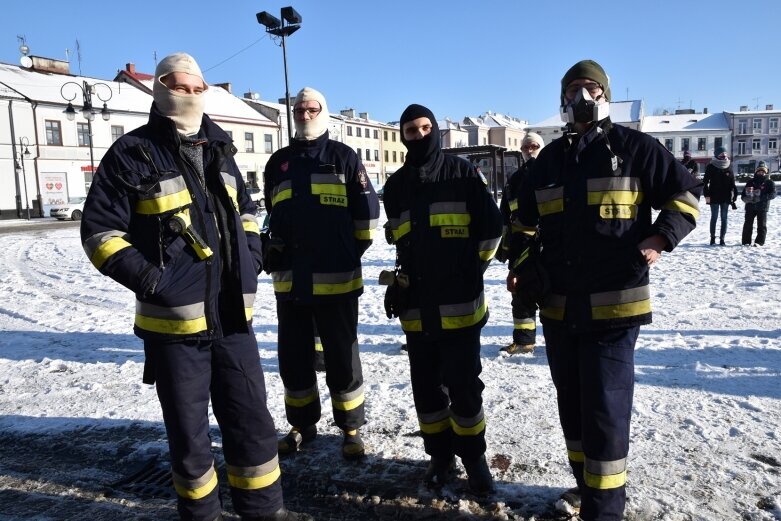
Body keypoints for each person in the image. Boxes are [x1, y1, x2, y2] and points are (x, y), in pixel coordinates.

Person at [80, 53, 311, 521]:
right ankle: (202, 516)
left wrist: (252, 255)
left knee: (252, 423)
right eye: (177, 85)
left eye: (195, 86)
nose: (187, 93)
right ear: (159, 88)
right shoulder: (132, 152)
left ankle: (265, 511)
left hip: (233, 319)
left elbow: (247, 213)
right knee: (189, 436)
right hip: (174, 326)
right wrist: (151, 279)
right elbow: (100, 233)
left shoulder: (220, 150)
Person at [508, 60, 700, 520]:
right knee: (572, 408)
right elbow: (523, 222)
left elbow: (687, 196)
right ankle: (583, 487)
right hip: (558, 307)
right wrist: (521, 264)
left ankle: (605, 510)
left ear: (605, 95)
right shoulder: (549, 160)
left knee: (604, 413)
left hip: (615, 308)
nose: (581, 96)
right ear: (562, 99)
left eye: (590, 87)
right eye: (572, 89)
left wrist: (660, 237)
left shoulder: (634, 148)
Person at [382, 104, 503, 495]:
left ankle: (474, 460)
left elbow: (491, 229)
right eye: (411, 131)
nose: (419, 136)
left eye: (425, 128)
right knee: (427, 389)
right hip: (416, 307)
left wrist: (471, 270)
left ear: (436, 130)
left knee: (465, 388)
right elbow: (402, 240)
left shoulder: (463, 174)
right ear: (402, 136)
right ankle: (440, 456)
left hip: (459, 305)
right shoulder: (397, 185)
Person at [262, 87, 380, 461]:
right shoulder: (277, 163)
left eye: (312, 107)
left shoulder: (344, 157)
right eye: (299, 108)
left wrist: (344, 252)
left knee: (342, 359)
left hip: (337, 281)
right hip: (291, 283)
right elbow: (273, 212)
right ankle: (302, 425)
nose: (305, 112)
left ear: (323, 112)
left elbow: (368, 218)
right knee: (294, 359)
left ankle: (351, 429)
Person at [499, 132, 545, 355]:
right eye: (526, 147)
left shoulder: (553, 172)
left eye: (534, 146)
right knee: (520, 293)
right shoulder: (514, 180)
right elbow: (504, 217)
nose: (530, 150)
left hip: (549, 245)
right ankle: (525, 341)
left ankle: (564, 341)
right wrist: (504, 249)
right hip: (521, 247)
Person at [702, 146, 737, 245]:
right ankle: (712, 238)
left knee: (724, 218)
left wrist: (734, 196)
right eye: (721, 154)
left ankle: (722, 239)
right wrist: (707, 195)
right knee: (714, 217)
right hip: (714, 196)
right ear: (717, 155)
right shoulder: (711, 166)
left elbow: (732, 183)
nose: (724, 155)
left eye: (725, 153)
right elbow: (705, 182)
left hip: (725, 197)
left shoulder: (729, 165)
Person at [741, 161, 777, 246]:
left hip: (762, 207)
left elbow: (773, 194)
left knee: (761, 225)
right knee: (748, 224)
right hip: (750, 206)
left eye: (763, 171)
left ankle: (759, 242)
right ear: (756, 172)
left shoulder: (769, 182)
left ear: (766, 172)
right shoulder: (750, 181)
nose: (761, 173)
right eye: (759, 171)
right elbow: (743, 194)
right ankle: (746, 241)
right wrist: (747, 198)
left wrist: (761, 198)